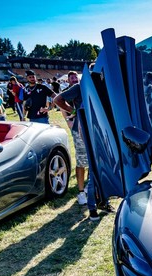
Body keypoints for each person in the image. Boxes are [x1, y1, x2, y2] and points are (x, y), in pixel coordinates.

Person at [53, 71, 89, 206]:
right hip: (80, 130)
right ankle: (81, 192)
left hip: (94, 130)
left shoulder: (99, 87)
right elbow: (57, 100)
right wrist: (72, 113)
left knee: (94, 161)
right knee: (81, 160)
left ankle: (89, 187)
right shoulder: (79, 87)